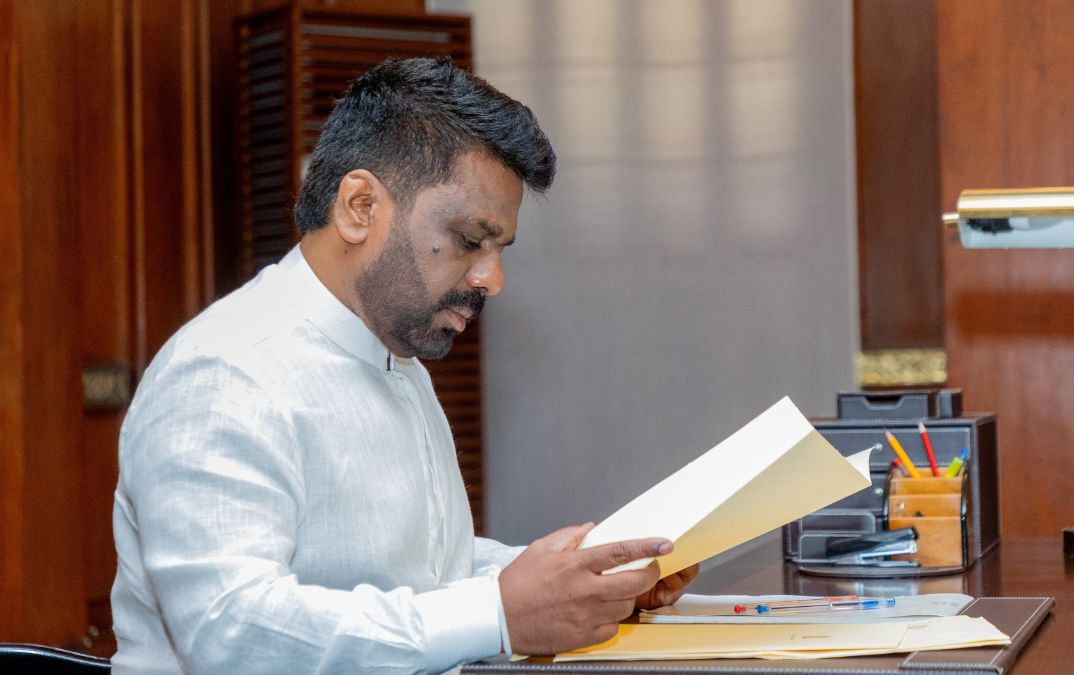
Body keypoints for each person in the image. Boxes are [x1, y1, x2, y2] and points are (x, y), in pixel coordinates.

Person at [110, 57, 699, 674]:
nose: (491, 279)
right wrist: (498, 612)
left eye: (500, 249)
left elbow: (416, 568)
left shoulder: (394, 357)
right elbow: (234, 634)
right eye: (472, 239)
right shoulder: (226, 372)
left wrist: (587, 582)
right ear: (359, 206)